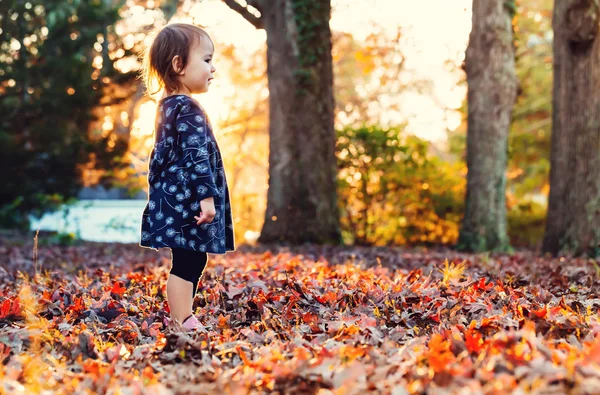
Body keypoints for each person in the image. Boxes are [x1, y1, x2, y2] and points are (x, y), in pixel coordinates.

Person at [138, 23, 235, 331]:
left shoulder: (166, 107)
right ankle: (183, 319)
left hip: (174, 199)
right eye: (206, 60)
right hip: (190, 202)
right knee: (189, 261)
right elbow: (196, 156)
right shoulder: (188, 108)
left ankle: (183, 317)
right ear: (179, 65)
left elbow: (162, 158)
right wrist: (207, 198)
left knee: (189, 259)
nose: (213, 68)